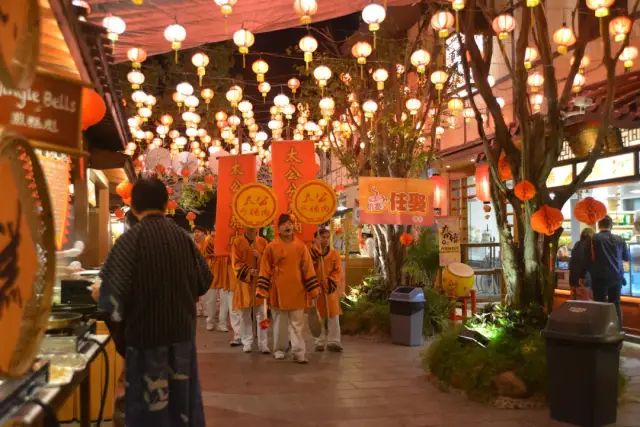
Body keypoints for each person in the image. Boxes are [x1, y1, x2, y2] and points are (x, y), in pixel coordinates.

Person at [98, 177, 211, 426]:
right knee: (182, 408)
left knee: (149, 411)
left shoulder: (129, 241)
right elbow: (205, 280)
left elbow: (109, 299)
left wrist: (121, 337)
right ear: (164, 203)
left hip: (145, 341)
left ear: (134, 206)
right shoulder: (184, 239)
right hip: (182, 338)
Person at [257, 214, 321, 363]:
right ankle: (279, 349)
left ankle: (299, 352)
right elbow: (264, 269)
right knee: (279, 324)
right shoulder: (271, 247)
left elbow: (308, 269)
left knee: (298, 324)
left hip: (298, 291)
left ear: (294, 226)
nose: (288, 226)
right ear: (278, 228)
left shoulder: (301, 246)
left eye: (290, 224)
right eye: (284, 224)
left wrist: (313, 290)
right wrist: (262, 290)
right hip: (277, 291)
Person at [231, 228, 269, 353]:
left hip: (259, 282)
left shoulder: (263, 242)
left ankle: (263, 343)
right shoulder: (237, 242)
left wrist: (260, 256)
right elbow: (235, 263)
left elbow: (269, 261)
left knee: (262, 315)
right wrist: (248, 271)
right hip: (244, 284)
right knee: (244, 315)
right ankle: (247, 341)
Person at [587, 215, 630, 325]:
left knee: (600, 305)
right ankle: (617, 329)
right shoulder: (620, 239)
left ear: (598, 225)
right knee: (615, 304)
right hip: (617, 277)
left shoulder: (594, 238)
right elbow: (626, 258)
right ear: (611, 226)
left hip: (599, 278)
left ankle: (601, 330)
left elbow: (588, 258)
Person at [310, 229, 344, 352]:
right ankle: (319, 341)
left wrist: (330, 281)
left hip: (330, 289)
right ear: (315, 239)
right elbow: (307, 269)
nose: (324, 240)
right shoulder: (310, 254)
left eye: (326, 237)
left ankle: (334, 341)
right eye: (322, 237)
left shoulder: (334, 254)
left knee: (333, 315)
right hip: (316, 288)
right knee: (318, 316)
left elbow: (338, 271)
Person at [569, 228, 594, 300]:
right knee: (586, 299)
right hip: (584, 276)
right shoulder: (589, 246)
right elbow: (586, 262)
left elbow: (573, 260)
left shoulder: (577, 244)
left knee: (574, 299)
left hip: (573, 276)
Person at [193, 226, 209, 318]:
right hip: (195, 271)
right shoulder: (192, 244)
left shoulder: (208, 242)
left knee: (206, 292)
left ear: (204, 233)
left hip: (205, 270)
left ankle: (206, 310)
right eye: (195, 232)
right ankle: (198, 309)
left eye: (198, 231)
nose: (196, 233)